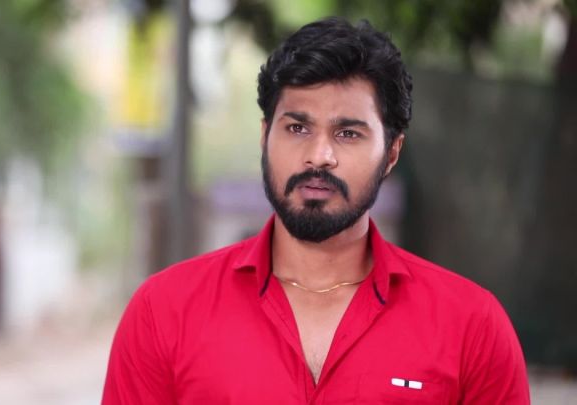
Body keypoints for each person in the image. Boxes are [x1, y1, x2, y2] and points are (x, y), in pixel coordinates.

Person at [103, 17, 530, 404]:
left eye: (348, 133)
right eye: (297, 128)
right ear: (265, 136)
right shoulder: (164, 312)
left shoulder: (472, 327)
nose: (319, 156)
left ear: (391, 153)